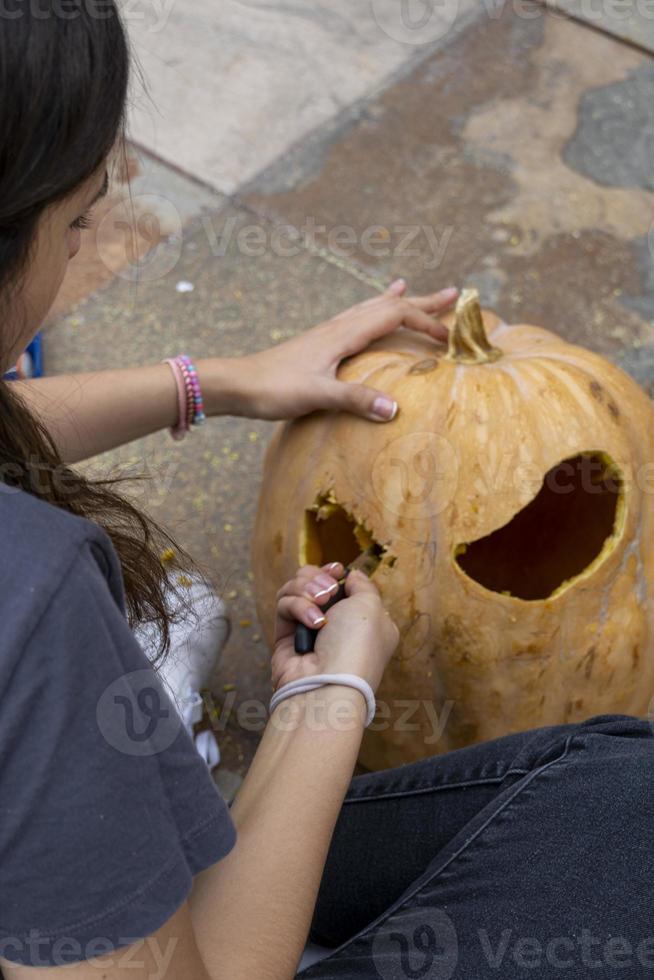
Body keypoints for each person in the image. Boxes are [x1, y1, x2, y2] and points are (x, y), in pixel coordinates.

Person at [1, 5, 653, 980]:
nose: (91, 246)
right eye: (83, 217)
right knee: (629, 810)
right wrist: (330, 698)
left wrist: (219, 380)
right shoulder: (39, 606)